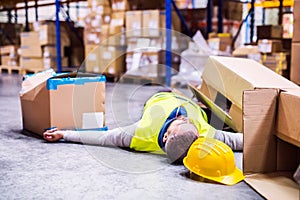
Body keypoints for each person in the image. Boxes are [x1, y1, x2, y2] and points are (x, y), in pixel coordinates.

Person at [44, 92, 243, 164]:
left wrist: (64, 134)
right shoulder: (205, 133)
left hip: (166, 97)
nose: (184, 118)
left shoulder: (138, 134)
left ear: (165, 137)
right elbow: (237, 141)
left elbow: (103, 137)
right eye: (185, 122)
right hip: (173, 98)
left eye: (185, 121)